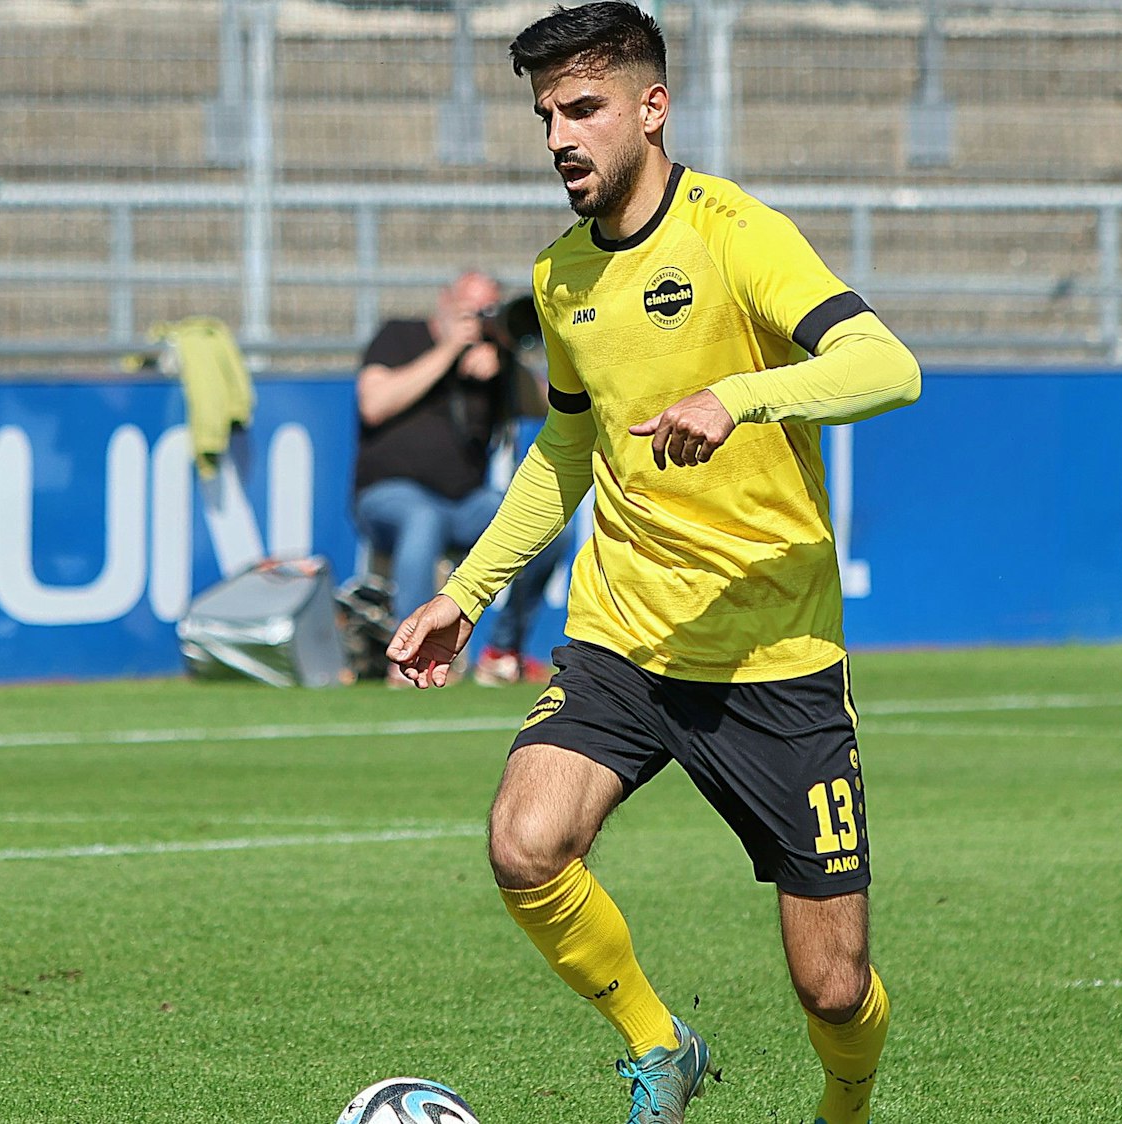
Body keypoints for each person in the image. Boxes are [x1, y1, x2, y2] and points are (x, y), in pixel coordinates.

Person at [386, 5, 921, 1122]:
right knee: (524, 842)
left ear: (651, 106)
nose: (559, 138)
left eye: (582, 109)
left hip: (774, 653)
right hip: (624, 636)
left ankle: (846, 1107)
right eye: (545, 116)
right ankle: (658, 1042)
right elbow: (570, 446)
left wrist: (741, 394)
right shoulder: (561, 275)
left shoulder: (737, 234)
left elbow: (888, 366)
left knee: (832, 984)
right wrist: (464, 594)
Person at [353, 270, 564, 686]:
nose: (478, 319)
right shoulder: (400, 336)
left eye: (488, 310)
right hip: (387, 497)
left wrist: (507, 356)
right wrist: (449, 350)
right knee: (422, 518)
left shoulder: (494, 360)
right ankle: (409, 655)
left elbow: (548, 405)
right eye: (471, 309)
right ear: (444, 300)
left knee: (546, 528)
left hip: (464, 504)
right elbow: (373, 404)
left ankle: (501, 654)